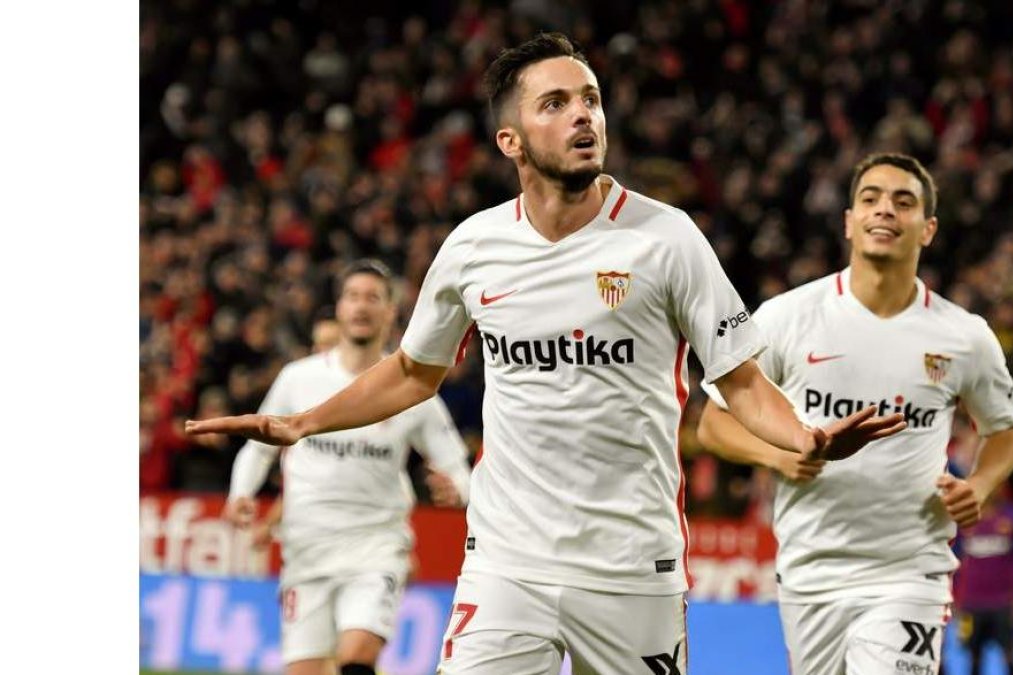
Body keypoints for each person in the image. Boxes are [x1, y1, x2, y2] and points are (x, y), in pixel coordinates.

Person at [188, 34, 905, 675]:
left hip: (633, 566)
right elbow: (413, 371)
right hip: (508, 563)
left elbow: (742, 381)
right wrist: (302, 423)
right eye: (556, 103)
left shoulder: (667, 238)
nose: (583, 115)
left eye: (590, 99)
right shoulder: (473, 247)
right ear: (512, 140)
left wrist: (805, 436)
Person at [696, 152, 1013, 675]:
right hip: (810, 570)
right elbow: (712, 423)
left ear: (928, 229)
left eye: (904, 202)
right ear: (849, 222)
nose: (885, 211)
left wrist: (981, 486)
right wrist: (777, 457)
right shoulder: (788, 317)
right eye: (870, 199)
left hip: (910, 571)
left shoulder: (963, 336)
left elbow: (1007, 430)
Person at [217, 259, 473, 675]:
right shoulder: (298, 379)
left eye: (373, 298)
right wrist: (241, 493)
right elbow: (258, 449)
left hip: (375, 548)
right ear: (339, 307)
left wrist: (458, 491)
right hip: (306, 550)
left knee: (357, 657)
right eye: (353, 296)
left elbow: (455, 465)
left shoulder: (410, 388)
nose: (361, 306)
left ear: (391, 311)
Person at [954, 486, 1013, 675]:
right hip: (971, 604)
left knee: (1010, 655)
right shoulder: (962, 521)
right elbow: (953, 562)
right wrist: (954, 597)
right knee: (973, 656)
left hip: (1004, 603)